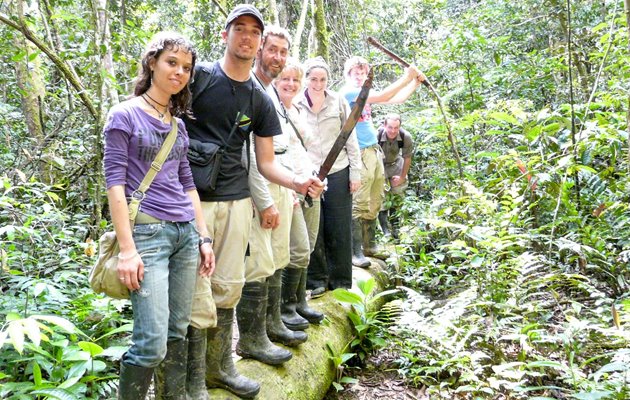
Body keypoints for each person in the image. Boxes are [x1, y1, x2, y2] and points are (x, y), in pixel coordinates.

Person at [182, 5, 322, 399]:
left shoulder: (260, 98)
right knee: (195, 293)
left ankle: (219, 368)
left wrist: (299, 181)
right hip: (192, 202)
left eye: (253, 32)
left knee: (228, 287)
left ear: (259, 43)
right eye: (239, 28)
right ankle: (190, 383)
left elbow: (265, 162)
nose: (246, 36)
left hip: (237, 201)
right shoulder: (199, 77)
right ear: (225, 35)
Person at [103, 31, 215, 400]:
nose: (179, 72)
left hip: (185, 234)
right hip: (148, 235)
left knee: (176, 332)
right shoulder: (124, 114)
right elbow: (115, 184)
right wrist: (127, 249)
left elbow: (188, 184)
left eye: (186, 67)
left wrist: (203, 237)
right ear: (152, 62)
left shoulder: (178, 125)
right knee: (151, 343)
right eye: (172, 62)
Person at [236, 25, 320, 367]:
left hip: (281, 183)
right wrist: (264, 200)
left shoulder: (272, 93)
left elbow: (281, 150)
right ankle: (252, 338)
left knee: (278, 256)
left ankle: (272, 324)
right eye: (272, 50)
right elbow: (250, 155)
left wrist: (297, 183)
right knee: (258, 261)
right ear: (259, 51)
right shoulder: (251, 90)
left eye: (283, 52)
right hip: (259, 188)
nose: (278, 57)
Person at [341, 56, 425, 267]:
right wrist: (407, 75)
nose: (360, 77)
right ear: (348, 74)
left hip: (373, 151)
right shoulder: (349, 92)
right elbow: (386, 93)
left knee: (375, 196)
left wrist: (415, 82)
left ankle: (370, 246)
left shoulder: (366, 95)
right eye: (356, 73)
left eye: (363, 73)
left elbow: (395, 100)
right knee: (360, 199)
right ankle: (355, 251)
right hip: (359, 152)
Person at [296, 57, 362, 295]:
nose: (318, 83)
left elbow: (350, 138)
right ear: (306, 79)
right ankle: (316, 281)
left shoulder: (339, 101)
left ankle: (341, 281)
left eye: (322, 79)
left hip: (338, 170)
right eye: (313, 79)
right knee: (315, 227)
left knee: (339, 226)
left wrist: (356, 172)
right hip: (309, 174)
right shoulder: (296, 103)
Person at [274, 58, 326, 326]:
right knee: (294, 247)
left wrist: (316, 178)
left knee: (307, 247)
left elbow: (306, 150)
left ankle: (300, 301)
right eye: (286, 79)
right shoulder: (271, 110)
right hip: (288, 187)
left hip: (310, 184)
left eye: (295, 79)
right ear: (275, 80)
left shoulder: (296, 110)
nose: (291, 84)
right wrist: (291, 186)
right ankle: (285, 307)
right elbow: (274, 155)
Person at [377, 113, 414, 238]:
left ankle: (396, 228)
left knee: (397, 197)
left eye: (396, 128)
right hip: (380, 166)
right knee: (382, 197)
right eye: (390, 127)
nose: (393, 131)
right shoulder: (376, 135)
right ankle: (384, 230)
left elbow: (407, 157)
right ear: (384, 125)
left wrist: (402, 177)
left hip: (396, 164)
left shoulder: (405, 137)